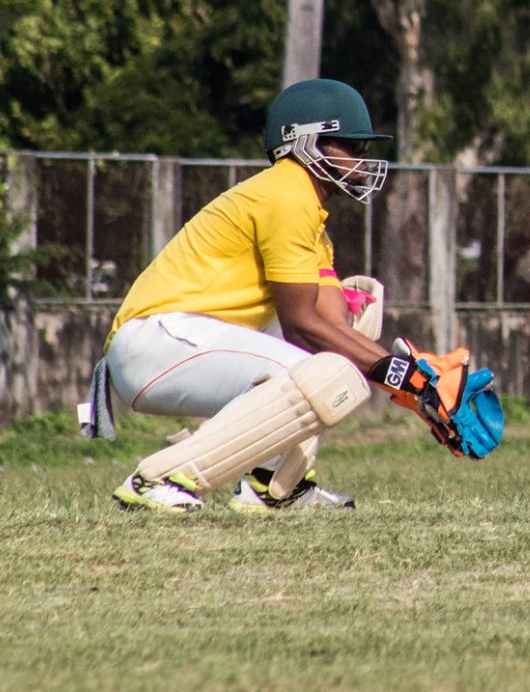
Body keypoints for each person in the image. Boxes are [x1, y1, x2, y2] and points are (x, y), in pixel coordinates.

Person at [81, 78, 504, 513]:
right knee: (322, 373)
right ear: (305, 142)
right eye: (350, 146)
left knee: (351, 335)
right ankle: (156, 478)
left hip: (181, 343)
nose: (362, 160)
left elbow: (332, 326)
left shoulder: (308, 212)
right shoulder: (285, 194)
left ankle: (275, 485)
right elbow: (304, 325)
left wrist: (414, 377)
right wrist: (398, 375)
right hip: (153, 343)